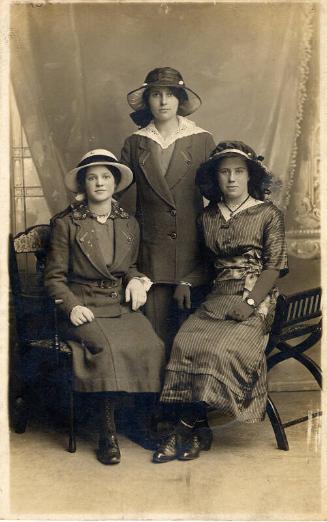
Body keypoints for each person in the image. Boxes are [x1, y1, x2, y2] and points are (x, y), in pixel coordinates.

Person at [152, 141, 288, 463]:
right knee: (184, 342)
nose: (231, 179)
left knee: (220, 349)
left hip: (257, 299)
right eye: (224, 172)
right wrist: (186, 280)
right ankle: (201, 430)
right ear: (215, 177)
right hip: (218, 297)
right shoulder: (208, 216)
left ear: (249, 176)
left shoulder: (268, 213)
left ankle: (182, 431)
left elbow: (274, 267)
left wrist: (252, 302)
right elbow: (205, 263)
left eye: (239, 171)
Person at [44, 149, 165, 465]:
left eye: (106, 176)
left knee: (151, 345)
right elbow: (54, 278)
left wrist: (136, 281)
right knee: (109, 350)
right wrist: (69, 306)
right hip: (84, 307)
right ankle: (107, 433)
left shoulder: (128, 224)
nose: (99, 182)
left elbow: (131, 267)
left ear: (115, 183)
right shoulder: (66, 224)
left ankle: (138, 424)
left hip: (118, 306)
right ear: (84, 184)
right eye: (92, 177)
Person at [121, 67, 215, 352]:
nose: (163, 101)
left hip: (192, 255)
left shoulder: (202, 140)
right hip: (151, 255)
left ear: (180, 100)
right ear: (148, 101)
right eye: (156, 95)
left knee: (192, 343)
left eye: (170, 94)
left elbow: (218, 198)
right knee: (156, 341)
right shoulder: (135, 143)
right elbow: (117, 190)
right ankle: (155, 398)